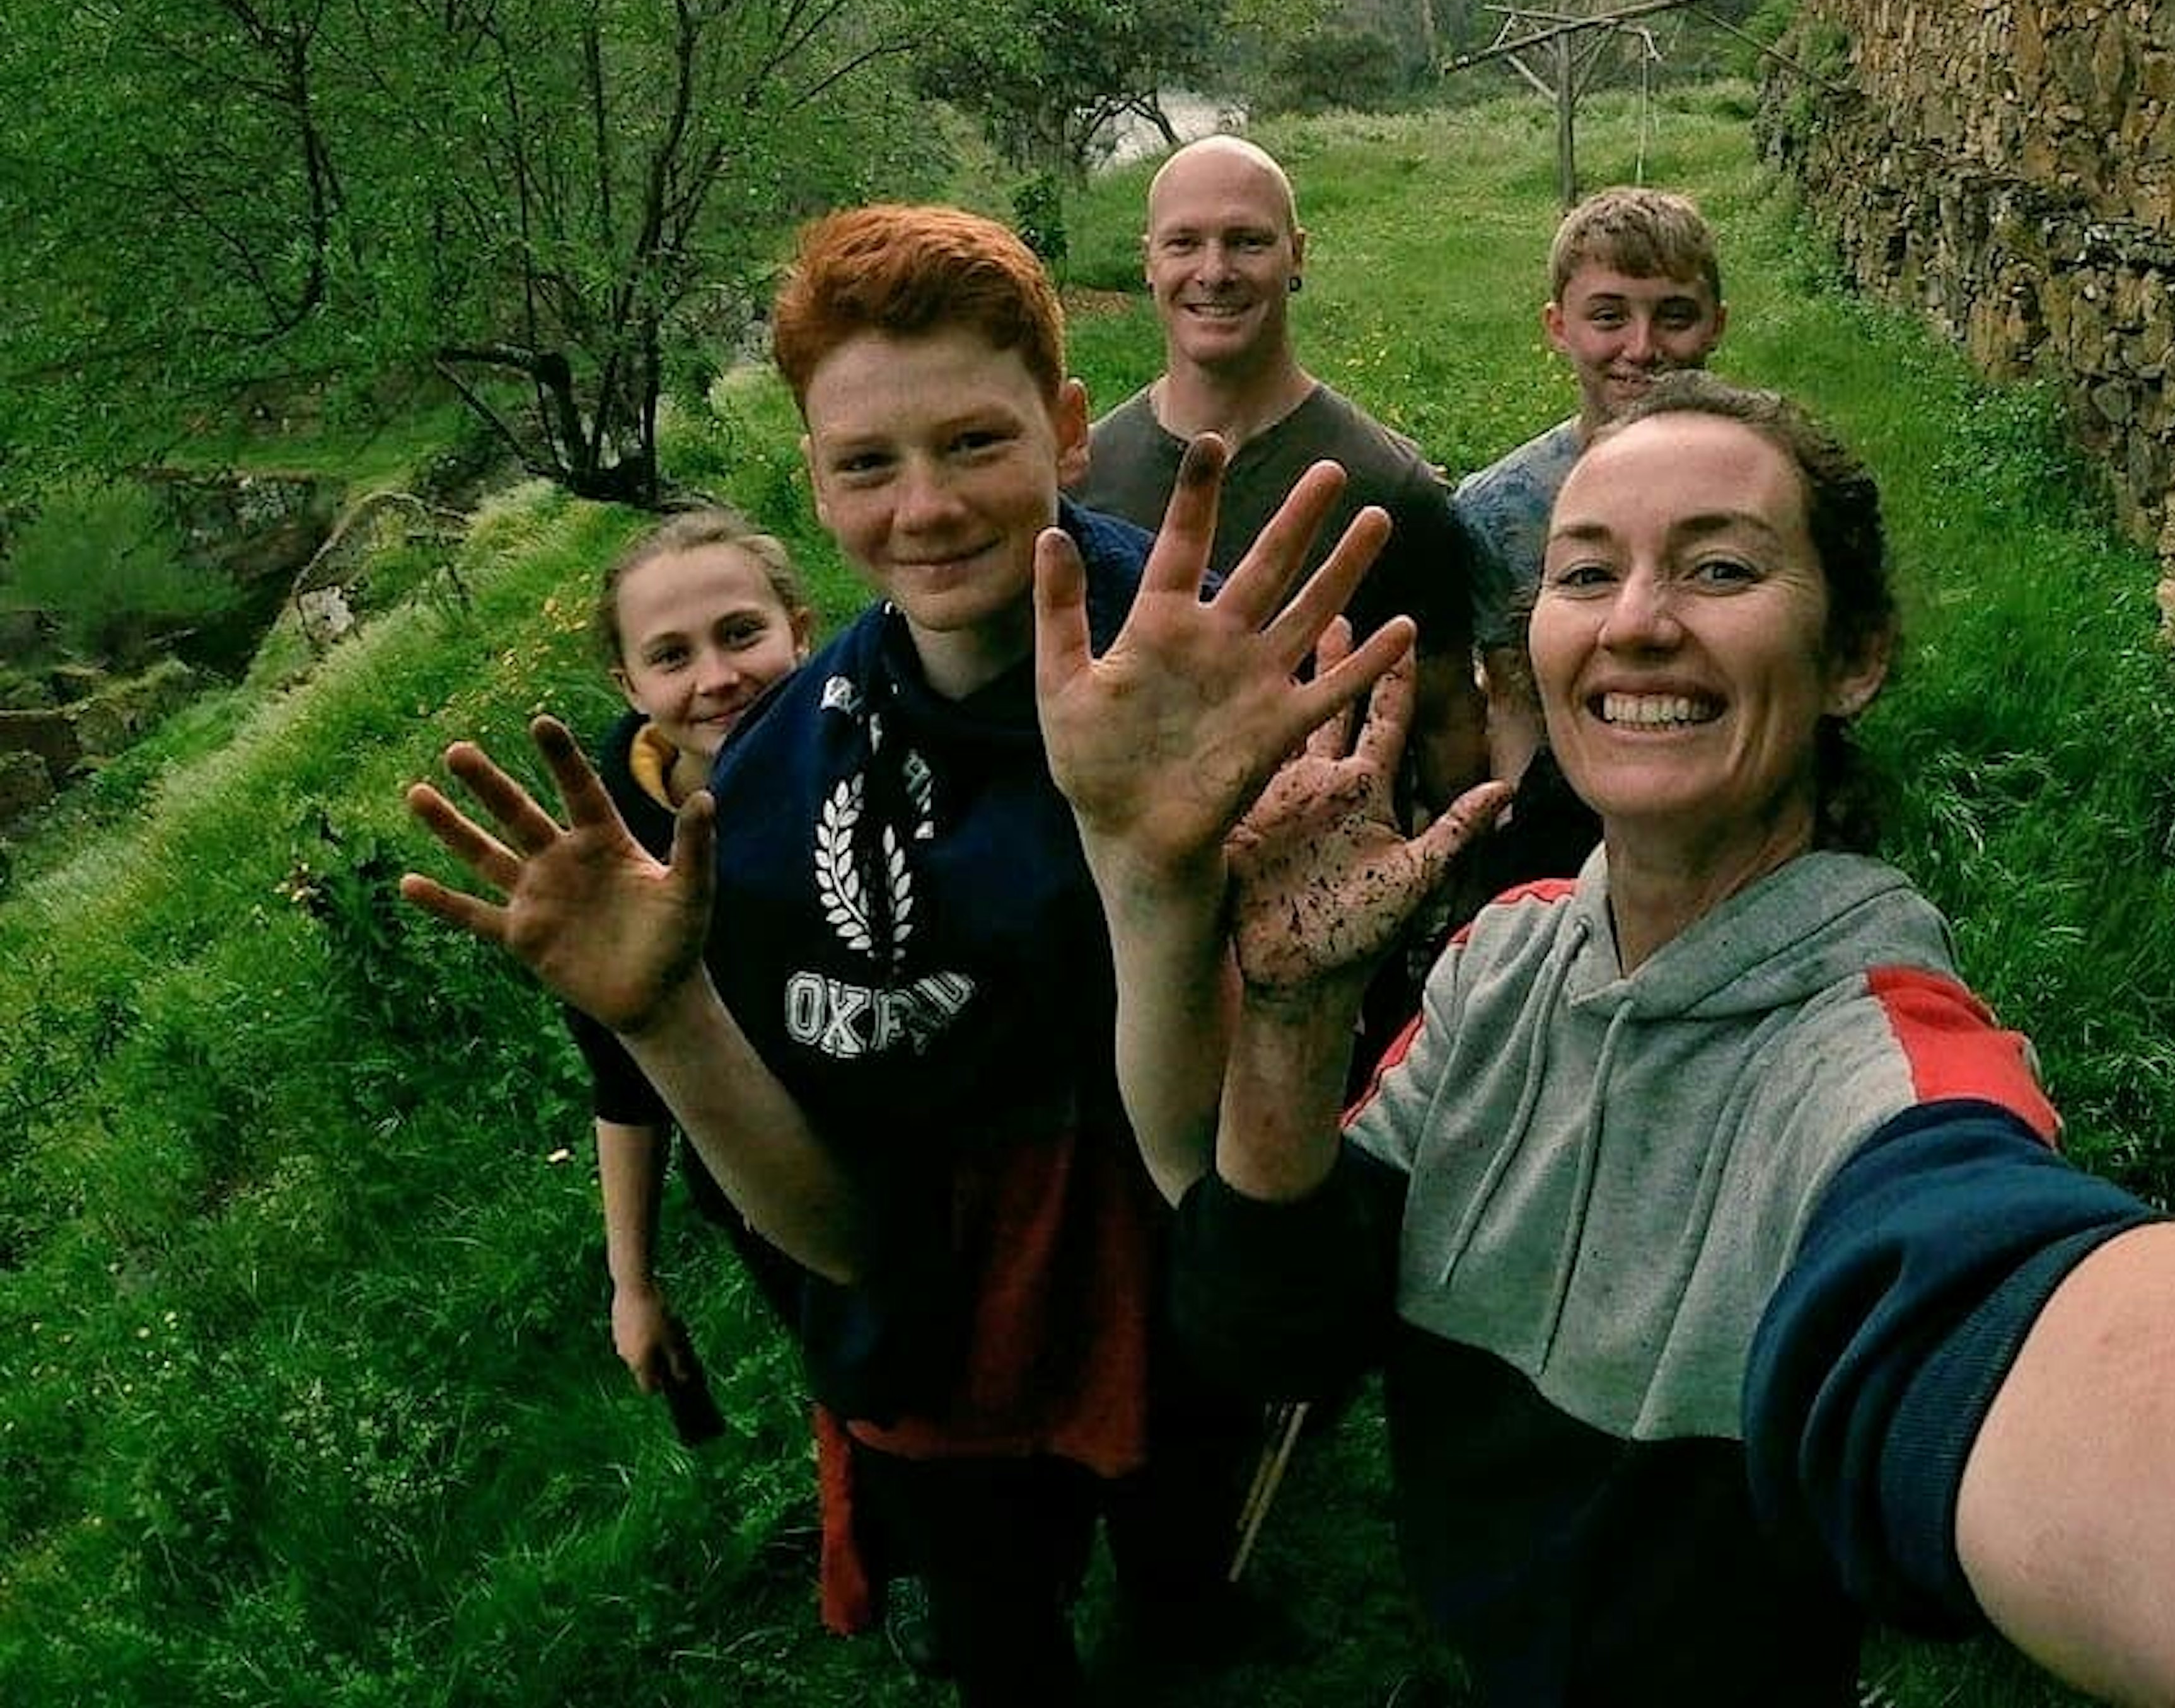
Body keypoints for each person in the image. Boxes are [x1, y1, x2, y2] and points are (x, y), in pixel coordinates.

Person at [1033, 372, 2175, 1707]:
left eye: (1720, 570)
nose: (1635, 621)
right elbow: (1279, 1332)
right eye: (1584, 572)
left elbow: (1986, 1307)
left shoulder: (1875, 1059)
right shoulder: (1497, 957)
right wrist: (1287, 1009)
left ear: (1855, 659)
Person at [402, 203, 1400, 1705]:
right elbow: (848, 1236)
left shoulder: (1216, 673)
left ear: (1067, 430)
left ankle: (1182, 1605)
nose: (923, 507)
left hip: (1182, 1280)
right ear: (811, 479)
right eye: (866, 463)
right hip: (945, 1338)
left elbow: (1242, 1138)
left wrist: (1160, 868)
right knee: (1001, 1628)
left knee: (1180, 1554)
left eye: (972, 444)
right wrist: (672, 1018)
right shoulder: (774, 787)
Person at [1081, 134, 1485, 816]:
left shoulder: (1391, 490)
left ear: (1297, 254)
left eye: (1247, 242)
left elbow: (1450, 726)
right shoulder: (1085, 482)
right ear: (1148, 260)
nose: (1214, 271)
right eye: (1184, 244)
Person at [573, 507, 815, 1405]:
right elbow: (622, 1067)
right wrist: (633, 1285)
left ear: (800, 631)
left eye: (742, 634)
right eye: (671, 657)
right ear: (630, 684)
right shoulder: (616, 836)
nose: (717, 679)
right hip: (767, 1192)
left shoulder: (876, 741)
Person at [1451, 186, 1726, 891]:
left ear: (1716, 324)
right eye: (1609, 317)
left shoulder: (1772, 488)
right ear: (1558, 326)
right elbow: (1513, 698)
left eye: (1674, 317)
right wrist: (1523, 856)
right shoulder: (1498, 508)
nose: (1643, 349)